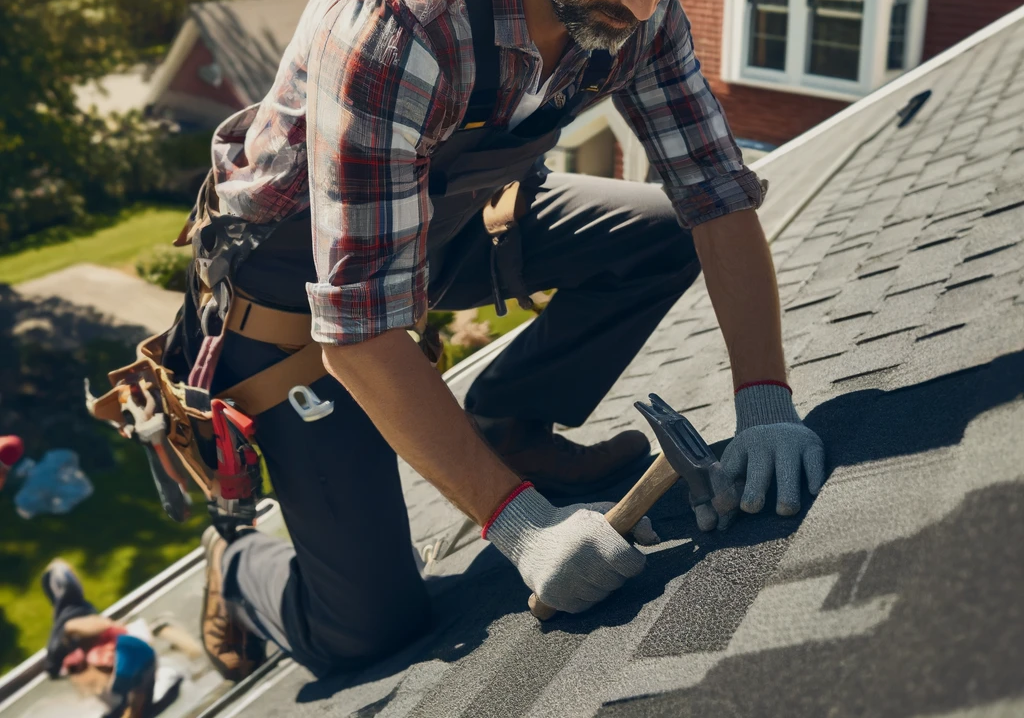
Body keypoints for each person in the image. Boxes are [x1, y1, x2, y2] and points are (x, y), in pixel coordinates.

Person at [184, 0, 827, 680]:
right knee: (370, 631)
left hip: (444, 230)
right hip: (290, 307)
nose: (639, 9)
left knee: (664, 235)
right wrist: (523, 526)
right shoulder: (402, 32)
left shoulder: (642, 13)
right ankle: (235, 565)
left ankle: (508, 429)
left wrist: (765, 403)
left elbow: (715, 194)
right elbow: (358, 331)